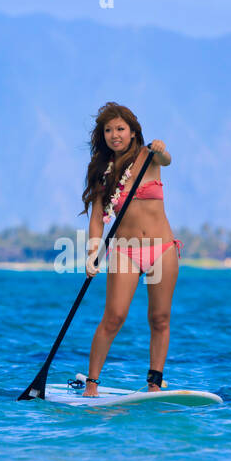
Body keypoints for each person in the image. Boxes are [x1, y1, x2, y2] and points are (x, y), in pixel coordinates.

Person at [79, 102, 181, 395]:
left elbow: (168, 159)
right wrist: (92, 254)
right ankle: (92, 384)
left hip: (162, 249)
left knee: (160, 318)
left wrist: (161, 148)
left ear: (133, 132)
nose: (115, 135)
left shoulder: (151, 157)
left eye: (120, 129)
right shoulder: (101, 170)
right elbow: (98, 217)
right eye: (108, 130)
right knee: (114, 317)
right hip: (125, 251)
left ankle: (154, 383)